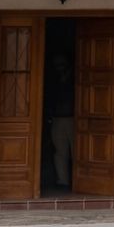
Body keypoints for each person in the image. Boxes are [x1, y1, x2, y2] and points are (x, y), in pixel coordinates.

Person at [44, 52, 74, 189]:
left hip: (74, 119)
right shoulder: (52, 79)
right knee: (60, 152)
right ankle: (63, 181)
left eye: (62, 64)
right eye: (57, 65)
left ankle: (81, 182)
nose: (59, 67)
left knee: (78, 151)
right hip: (57, 119)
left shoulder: (76, 77)